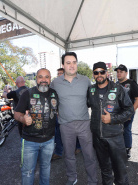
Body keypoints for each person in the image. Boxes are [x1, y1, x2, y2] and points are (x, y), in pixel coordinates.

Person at [50, 52, 98, 185]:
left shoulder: (85, 80)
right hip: (65, 125)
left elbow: (93, 99)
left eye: (74, 62)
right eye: (68, 63)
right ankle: (72, 178)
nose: (72, 65)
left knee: (89, 155)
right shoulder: (55, 83)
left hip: (84, 124)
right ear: (63, 65)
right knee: (69, 155)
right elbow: (50, 100)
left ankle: (92, 181)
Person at [87, 62, 134, 185]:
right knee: (105, 170)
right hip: (98, 138)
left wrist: (112, 119)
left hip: (115, 138)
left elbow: (129, 110)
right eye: (96, 72)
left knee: (120, 171)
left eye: (102, 71)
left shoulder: (118, 89)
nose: (99, 75)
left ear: (106, 73)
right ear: (93, 74)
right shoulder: (90, 90)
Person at [14, 68, 58, 185]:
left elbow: (57, 112)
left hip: (49, 140)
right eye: (40, 77)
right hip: (29, 141)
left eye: (46, 77)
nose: (43, 80)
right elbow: (16, 113)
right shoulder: (27, 94)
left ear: (50, 79)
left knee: (45, 168)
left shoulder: (54, 94)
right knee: (27, 171)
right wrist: (23, 118)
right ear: (36, 79)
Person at [52, 68, 81, 160]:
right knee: (58, 133)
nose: (59, 75)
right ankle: (58, 152)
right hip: (59, 114)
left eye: (61, 73)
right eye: (58, 73)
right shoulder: (55, 85)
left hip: (72, 114)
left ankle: (78, 147)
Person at [115, 64, 138, 159]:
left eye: (121, 72)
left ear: (126, 73)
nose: (119, 74)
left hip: (127, 112)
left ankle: (127, 148)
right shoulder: (116, 84)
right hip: (117, 112)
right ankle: (119, 147)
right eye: (117, 72)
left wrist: (130, 112)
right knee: (117, 130)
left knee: (126, 130)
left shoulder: (131, 83)